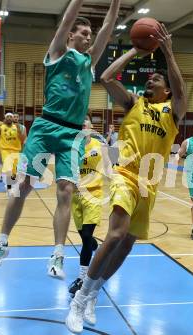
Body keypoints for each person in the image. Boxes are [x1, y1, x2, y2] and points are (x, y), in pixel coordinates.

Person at [0, 0, 121, 279]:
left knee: (65, 191)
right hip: (46, 127)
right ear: (70, 35)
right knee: (22, 186)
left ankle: (58, 253)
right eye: (83, 33)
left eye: (89, 34)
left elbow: (107, 28)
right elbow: (66, 20)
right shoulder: (58, 52)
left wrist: (116, 2)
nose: (88, 36)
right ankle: (1, 242)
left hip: (71, 134)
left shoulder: (89, 61)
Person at [65, 23, 187, 333]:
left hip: (150, 183)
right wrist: (135, 50)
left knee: (128, 244)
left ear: (167, 90)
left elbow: (182, 89)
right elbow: (105, 77)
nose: (152, 79)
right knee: (116, 234)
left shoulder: (173, 112)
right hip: (125, 174)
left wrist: (168, 52)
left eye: (158, 78)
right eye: (151, 77)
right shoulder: (135, 103)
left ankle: (93, 292)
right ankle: (80, 299)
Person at [68, 117, 109, 298]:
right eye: (81, 123)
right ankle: (96, 247)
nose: (83, 126)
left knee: (85, 237)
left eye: (86, 123)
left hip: (94, 194)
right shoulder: (71, 146)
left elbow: (113, 164)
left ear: (91, 127)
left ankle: (82, 278)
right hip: (75, 197)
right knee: (87, 239)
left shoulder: (99, 144)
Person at [0, 113, 25, 192]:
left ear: (13, 119)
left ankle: (7, 181)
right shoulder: (0, 128)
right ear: (5, 118)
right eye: (7, 117)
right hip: (5, 150)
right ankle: (8, 186)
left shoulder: (17, 127)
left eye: (11, 117)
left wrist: (19, 131)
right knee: (8, 167)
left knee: (14, 170)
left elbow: (22, 140)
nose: (9, 118)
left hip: (16, 151)